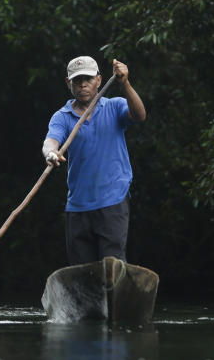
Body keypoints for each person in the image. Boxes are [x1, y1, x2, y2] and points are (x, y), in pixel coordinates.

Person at [41, 56, 147, 265]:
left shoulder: (114, 107)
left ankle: (115, 295)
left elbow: (139, 115)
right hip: (78, 206)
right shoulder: (62, 117)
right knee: (82, 270)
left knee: (112, 263)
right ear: (68, 83)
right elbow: (50, 142)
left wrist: (124, 83)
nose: (83, 85)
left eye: (88, 79)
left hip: (112, 200)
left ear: (99, 80)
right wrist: (51, 154)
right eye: (77, 80)